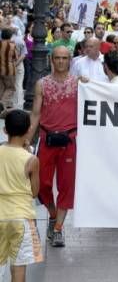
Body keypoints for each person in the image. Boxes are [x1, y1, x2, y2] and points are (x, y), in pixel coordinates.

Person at [29, 46, 79, 247]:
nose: (60, 62)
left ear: (70, 60)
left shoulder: (78, 84)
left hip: (70, 140)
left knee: (67, 186)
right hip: (47, 139)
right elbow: (35, 113)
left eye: (64, 58)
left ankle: (58, 229)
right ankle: (52, 215)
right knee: (42, 184)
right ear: (51, 59)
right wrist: (26, 138)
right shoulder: (42, 84)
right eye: (57, 58)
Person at [0, 110, 43, 281]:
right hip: (21, 218)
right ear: (28, 131)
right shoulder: (31, 160)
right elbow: (34, 192)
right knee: (18, 270)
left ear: (5, 130)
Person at [0, 29, 17, 116]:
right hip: (9, 70)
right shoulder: (12, 45)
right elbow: (15, 57)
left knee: (2, 88)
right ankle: (2, 103)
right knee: (10, 88)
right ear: (10, 36)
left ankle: (5, 109)